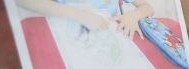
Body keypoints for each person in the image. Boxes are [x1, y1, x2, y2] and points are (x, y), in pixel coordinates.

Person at [17, 0, 154, 40]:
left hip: (108, 40)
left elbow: (147, 7)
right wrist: (80, 15)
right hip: (68, 37)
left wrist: (133, 15)